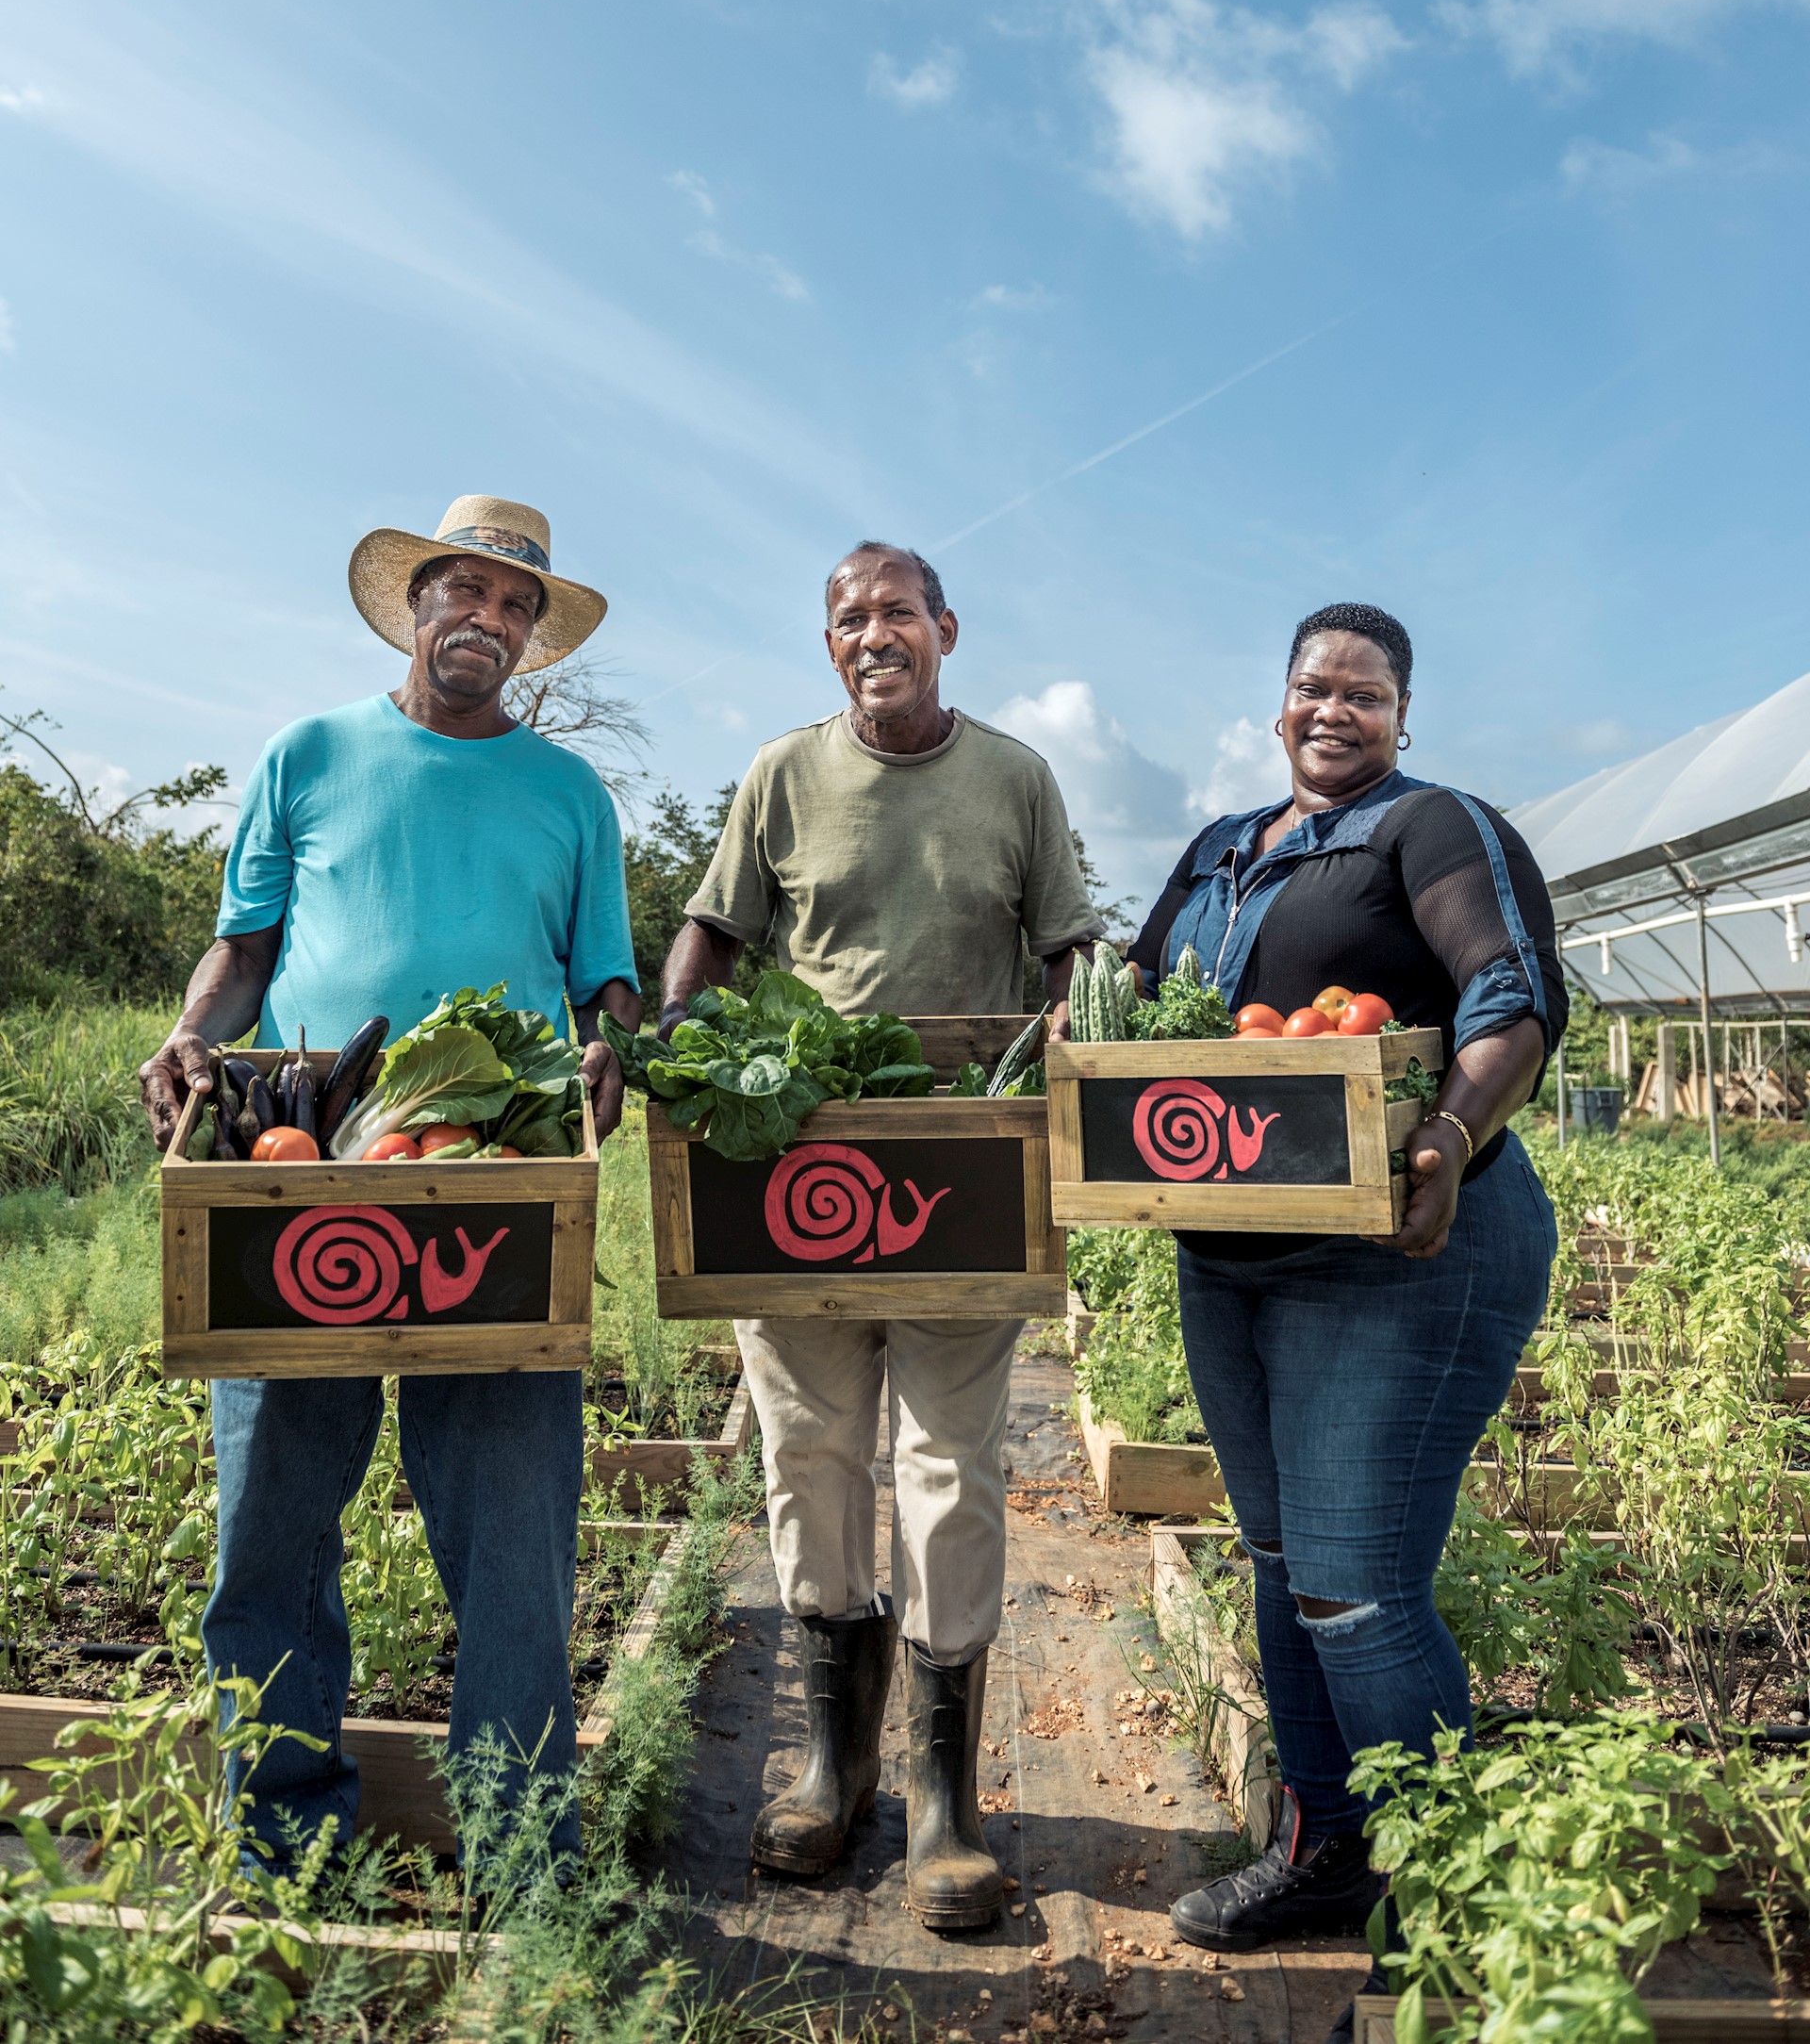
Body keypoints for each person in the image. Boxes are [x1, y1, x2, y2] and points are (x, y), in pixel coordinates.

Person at [140, 495, 639, 1866]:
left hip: (501, 1179)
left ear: (533, 637)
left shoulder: (568, 794)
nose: (487, 617)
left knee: (514, 1548)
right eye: (464, 590)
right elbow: (241, 953)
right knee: (273, 1532)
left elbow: (607, 982)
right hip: (306, 1168)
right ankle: (279, 1840)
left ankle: (523, 1856)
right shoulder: (308, 754)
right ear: (416, 601)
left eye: (516, 603)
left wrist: (607, 1044)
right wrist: (192, 1034)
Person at [661, 540, 1101, 1930]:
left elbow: (1066, 953)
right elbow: (713, 937)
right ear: (831, 641)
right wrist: (676, 1054)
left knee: (950, 1466)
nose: (873, 633)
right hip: (794, 1169)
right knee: (807, 1451)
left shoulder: (1017, 777)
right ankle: (830, 1760)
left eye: (896, 612)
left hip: (960, 1173)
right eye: (849, 617)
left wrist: (1066, 1049)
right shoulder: (782, 775)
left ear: (947, 629)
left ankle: (943, 1798)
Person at [1121, 602, 1563, 1973]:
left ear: (1403, 715)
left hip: (1402, 1248)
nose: (1335, 708)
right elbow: (1134, 1003)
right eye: (1314, 686)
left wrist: (1451, 1129)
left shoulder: (1432, 826)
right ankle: (1324, 1854)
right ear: (1277, 705)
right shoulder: (1216, 851)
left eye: (1365, 693)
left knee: (1356, 1588)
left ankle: (1450, 1911)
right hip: (1231, 1256)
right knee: (1276, 1563)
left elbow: (1509, 986)